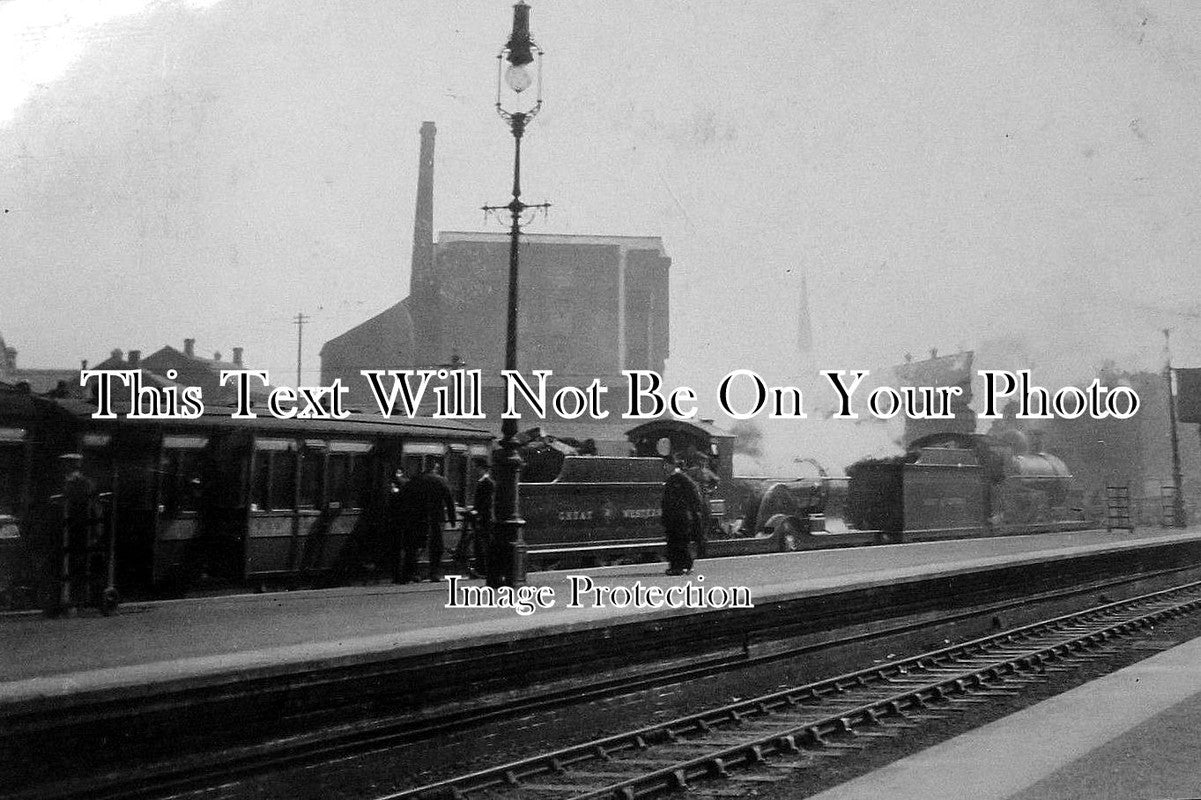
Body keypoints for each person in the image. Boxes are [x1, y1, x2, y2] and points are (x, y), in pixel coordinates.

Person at [409, 464, 457, 582]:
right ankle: (433, 573)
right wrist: (452, 518)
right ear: (435, 468)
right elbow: (449, 500)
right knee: (436, 546)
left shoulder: (416, 480)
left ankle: (415, 572)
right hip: (437, 517)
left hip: (419, 516)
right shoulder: (441, 480)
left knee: (417, 544)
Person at [661, 460, 705, 576]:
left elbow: (694, 497)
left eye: (667, 464)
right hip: (677, 516)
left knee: (677, 542)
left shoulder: (679, 478)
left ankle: (678, 567)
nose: (665, 467)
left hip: (679, 517)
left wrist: (690, 511)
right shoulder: (676, 478)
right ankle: (685, 565)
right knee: (678, 541)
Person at [455, 458, 493, 579]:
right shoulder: (484, 481)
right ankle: (480, 568)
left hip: (483, 518)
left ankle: (482, 569)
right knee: (479, 543)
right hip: (481, 516)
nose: (475, 470)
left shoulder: (487, 482)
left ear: (482, 468)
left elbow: (486, 502)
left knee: (481, 544)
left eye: (476, 467)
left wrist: (476, 512)